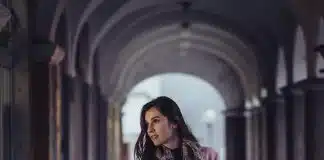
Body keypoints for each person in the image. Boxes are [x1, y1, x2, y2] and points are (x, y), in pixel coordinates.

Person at [134, 96, 218, 160]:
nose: (150, 130)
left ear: (174, 122)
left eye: (155, 121)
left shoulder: (208, 156)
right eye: (147, 124)